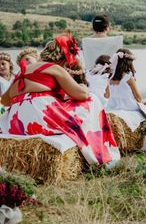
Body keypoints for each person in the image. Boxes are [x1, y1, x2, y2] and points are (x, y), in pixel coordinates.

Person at [0, 35, 119, 166]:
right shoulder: (54, 68)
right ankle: (102, 157)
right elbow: (82, 95)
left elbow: (5, 101)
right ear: (63, 58)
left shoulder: (21, 72)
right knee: (93, 100)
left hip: (17, 123)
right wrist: (81, 86)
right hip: (41, 118)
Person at [105, 48, 146, 128]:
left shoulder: (109, 77)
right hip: (128, 106)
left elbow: (107, 95)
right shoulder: (128, 77)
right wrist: (142, 102)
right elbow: (138, 97)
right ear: (128, 63)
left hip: (112, 106)